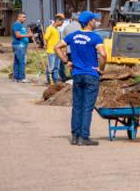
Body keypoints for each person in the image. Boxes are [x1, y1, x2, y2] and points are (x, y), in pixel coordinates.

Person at [55, 11, 106, 146]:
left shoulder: (73, 36)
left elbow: (57, 47)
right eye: (94, 20)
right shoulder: (96, 38)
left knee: (77, 106)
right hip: (91, 75)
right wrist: (101, 69)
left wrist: (67, 61)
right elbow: (103, 54)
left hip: (77, 74)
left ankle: (75, 136)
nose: (95, 22)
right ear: (90, 22)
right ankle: (84, 137)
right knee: (87, 107)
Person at [11, 12, 33, 83]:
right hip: (19, 45)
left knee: (17, 62)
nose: (25, 19)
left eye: (25, 17)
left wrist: (27, 34)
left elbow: (22, 34)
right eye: (23, 17)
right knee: (21, 62)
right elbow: (18, 35)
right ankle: (22, 78)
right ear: (19, 17)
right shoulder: (17, 24)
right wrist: (28, 35)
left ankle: (16, 77)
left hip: (21, 45)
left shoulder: (20, 25)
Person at [59, 13, 82, 82]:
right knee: (80, 65)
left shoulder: (66, 27)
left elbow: (63, 42)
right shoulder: (82, 27)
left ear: (71, 19)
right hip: (80, 49)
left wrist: (64, 52)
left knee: (72, 65)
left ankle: (73, 79)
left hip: (70, 50)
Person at [43, 14, 65, 84]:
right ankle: (49, 80)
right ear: (57, 21)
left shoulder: (57, 29)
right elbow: (45, 38)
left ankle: (55, 81)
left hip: (57, 52)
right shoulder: (50, 28)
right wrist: (45, 44)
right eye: (61, 22)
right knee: (51, 67)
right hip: (51, 51)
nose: (62, 24)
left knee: (56, 67)